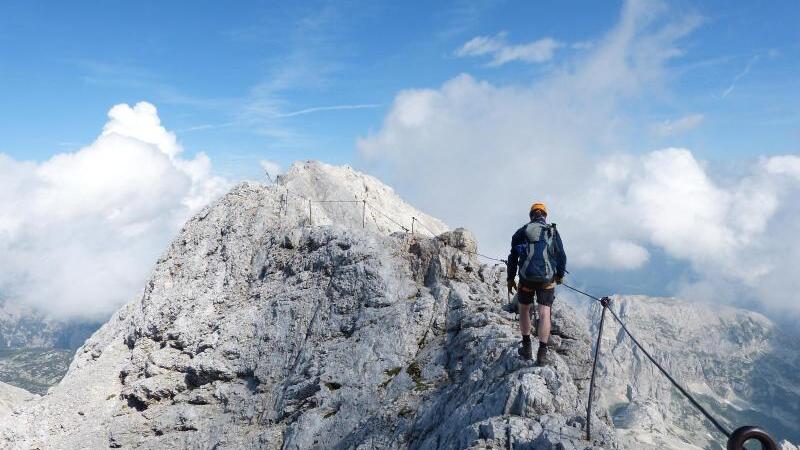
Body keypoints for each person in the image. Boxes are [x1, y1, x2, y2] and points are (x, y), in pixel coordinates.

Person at [507, 202, 566, 365]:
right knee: (545, 312)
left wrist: (510, 278)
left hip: (526, 279)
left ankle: (526, 348)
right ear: (545, 216)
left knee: (524, 308)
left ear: (531, 215)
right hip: (546, 280)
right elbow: (561, 256)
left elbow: (513, 257)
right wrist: (559, 275)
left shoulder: (522, 231)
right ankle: (542, 353)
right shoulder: (552, 231)